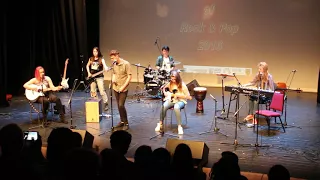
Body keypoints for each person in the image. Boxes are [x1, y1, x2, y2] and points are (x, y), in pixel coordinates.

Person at [155, 70, 192, 135]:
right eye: (172, 79)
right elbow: (165, 88)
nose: (173, 81)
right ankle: (160, 123)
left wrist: (178, 95)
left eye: (174, 79)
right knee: (164, 106)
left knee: (176, 107)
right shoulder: (170, 83)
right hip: (173, 99)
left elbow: (189, 97)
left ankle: (179, 126)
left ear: (177, 78)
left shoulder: (182, 85)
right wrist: (164, 91)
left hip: (181, 101)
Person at [110, 50, 132, 130]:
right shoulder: (114, 64)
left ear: (117, 56)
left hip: (123, 88)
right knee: (118, 106)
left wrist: (123, 87)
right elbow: (114, 73)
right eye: (111, 59)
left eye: (113, 58)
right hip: (116, 87)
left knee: (121, 105)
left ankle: (126, 122)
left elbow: (129, 77)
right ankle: (122, 121)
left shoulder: (126, 64)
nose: (112, 60)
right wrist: (112, 80)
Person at [86, 47, 109, 111]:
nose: (95, 53)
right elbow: (87, 66)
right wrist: (88, 73)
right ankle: (96, 103)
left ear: (98, 52)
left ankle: (106, 103)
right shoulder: (91, 59)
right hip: (92, 77)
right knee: (93, 91)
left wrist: (106, 68)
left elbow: (105, 66)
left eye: (96, 51)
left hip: (99, 77)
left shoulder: (101, 59)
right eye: (93, 51)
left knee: (102, 91)